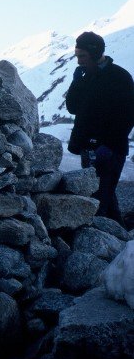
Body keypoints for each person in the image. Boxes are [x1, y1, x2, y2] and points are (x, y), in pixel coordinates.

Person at [66, 31, 134, 225]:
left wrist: (109, 146)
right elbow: (72, 107)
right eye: (77, 56)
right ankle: (120, 242)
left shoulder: (120, 77)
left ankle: (103, 247)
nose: (78, 61)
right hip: (88, 149)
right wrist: (76, 82)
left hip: (109, 152)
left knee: (98, 202)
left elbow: (128, 116)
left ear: (95, 53)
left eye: (82, 56)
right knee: (105, 198)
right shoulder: (85, 76)